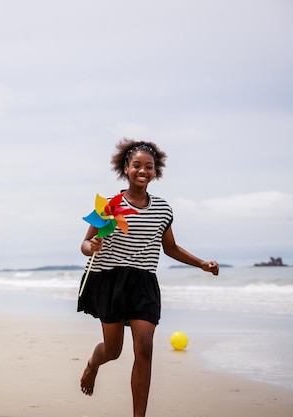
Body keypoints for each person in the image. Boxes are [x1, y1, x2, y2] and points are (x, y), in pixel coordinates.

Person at [77, 139, 219, 417]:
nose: (143, 171)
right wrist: (91, 246)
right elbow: (85, 244)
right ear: (126, 168)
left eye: (149, 167)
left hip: (144, 283)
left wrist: (201, 263)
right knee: (113, 350)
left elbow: (170, 248)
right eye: (137, 165)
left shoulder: (163, 210)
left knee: (144, 348)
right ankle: (93, 364)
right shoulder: (109, 205)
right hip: (110, 280)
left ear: (156, 171)